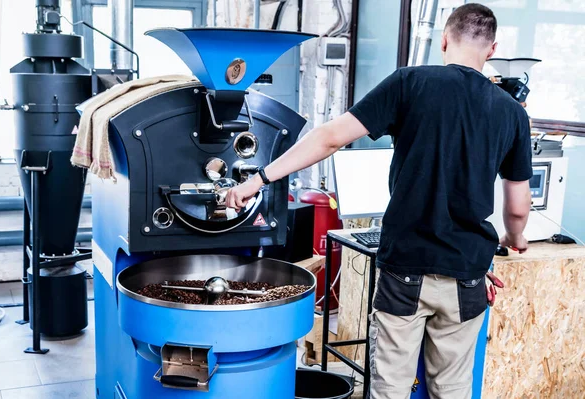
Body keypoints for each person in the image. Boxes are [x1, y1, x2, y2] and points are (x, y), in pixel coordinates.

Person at [226, 3, 532, 398]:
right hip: (467, 275)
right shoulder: (512, 113)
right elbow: (518, 208)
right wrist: (513, 238)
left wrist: (259, 179)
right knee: (453, 388)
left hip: (405, 268)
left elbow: (330, 138)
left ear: (444, 40)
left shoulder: (410, 83)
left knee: (390, 388)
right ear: (491, 50)